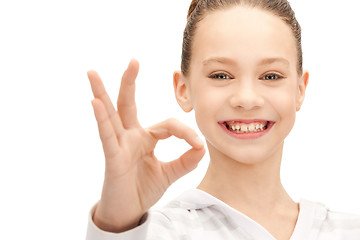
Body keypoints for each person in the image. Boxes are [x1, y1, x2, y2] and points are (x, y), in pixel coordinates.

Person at [85, 0, 360, 239]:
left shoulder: (349, 231)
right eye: (221, 75)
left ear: (300, 90)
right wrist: (116, 223)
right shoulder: (156, 233)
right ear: (184, 90)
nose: (247, 98)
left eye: (271, 76)